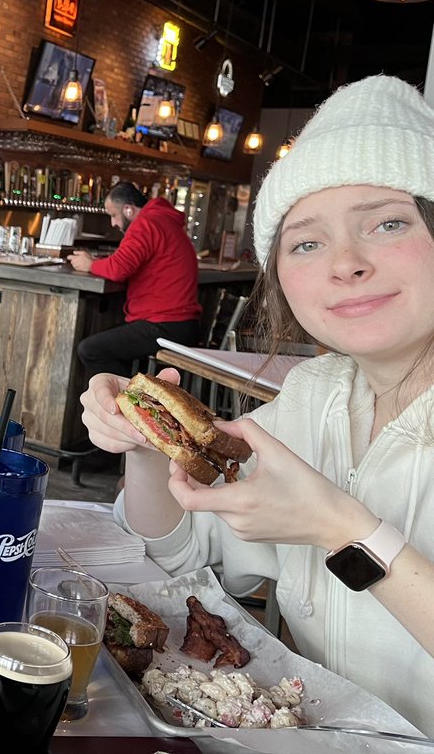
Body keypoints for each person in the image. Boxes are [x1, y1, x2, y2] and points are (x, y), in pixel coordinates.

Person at [79, 75, 434, 735]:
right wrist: (147, 447)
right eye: (307, 241)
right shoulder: (315, 397)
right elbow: (177, 555)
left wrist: (345, 532)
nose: (345, 262)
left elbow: (341, 531)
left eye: (388, 223)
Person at [67, 182, 201, 379]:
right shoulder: (163, 219)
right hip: (181, 324)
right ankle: (135, 398)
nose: (113, 223)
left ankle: (130, 403)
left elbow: (119, 269)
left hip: (166, 325)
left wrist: (90, 265)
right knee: (106, 342)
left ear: (128, 209)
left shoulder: (146, 223)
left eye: (113, 215)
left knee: (91, 350)